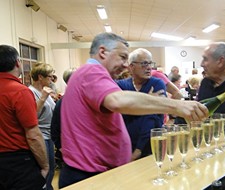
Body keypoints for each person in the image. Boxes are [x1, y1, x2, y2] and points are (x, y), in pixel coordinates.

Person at [59, 32, 208, 188]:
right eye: (122, 57)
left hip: (96, 172)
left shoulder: (90, 75)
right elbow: (118, 101)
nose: (125, 65)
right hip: (89, 176)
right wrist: (178, 106)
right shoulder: (92, 72)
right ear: (103, 52)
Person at [0, 45, 49, 190]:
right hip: (18, 162)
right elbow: (33, 134)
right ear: (17, 63)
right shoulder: (19, 91)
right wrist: (45, 166)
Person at [117, 48, 166, 161]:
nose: (149, 67)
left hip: (151, 147)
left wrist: (137, 152)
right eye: (144, 63)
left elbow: (152, 118)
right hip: (125, 146)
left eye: (150, 63)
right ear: (131, 66)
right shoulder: (121, 86)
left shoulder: (157, 84)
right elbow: (120, 114)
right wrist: (148, 101)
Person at [29, 63, 56, 190]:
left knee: (51, 168)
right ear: (40, 77)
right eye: (49, 77)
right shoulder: (30, 92)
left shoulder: (44, 91)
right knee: (44, 169)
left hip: (50, 135)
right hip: (41, 136)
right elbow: (32, 115)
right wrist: (43, 98)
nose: (51, 80)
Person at [51, 68, 77, 169]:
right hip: (71, 154)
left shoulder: (86, 99)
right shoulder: (62, 103)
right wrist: (62, 149)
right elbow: (55, 129)